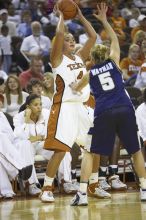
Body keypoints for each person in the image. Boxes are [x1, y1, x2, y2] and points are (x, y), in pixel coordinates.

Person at [70, 3, 146, 206]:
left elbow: (76, 88)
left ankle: (83, 194)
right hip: (124, 106)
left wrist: (72, 84)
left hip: (104, 111)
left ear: (92, 60)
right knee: (135, 151)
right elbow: (114, 39)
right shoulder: (113, 61)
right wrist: (104, 20)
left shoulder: (89, 73)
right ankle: (145, 189)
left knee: (91, 152)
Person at [40, 3, 97, 203]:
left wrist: (80, 16)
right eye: (67, 39)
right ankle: (47, 188)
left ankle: (93, 185)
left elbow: (93, 38)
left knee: (92, 147)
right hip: (64, 107)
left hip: (82, 107)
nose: (71, 39)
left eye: (73, 38)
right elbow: (60, 32)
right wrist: (62, 17)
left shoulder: (80, 56)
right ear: (59, 43)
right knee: (61, 150)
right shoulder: (56, 59)